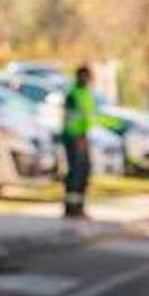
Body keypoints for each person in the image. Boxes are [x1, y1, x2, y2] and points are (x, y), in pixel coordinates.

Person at [62, 66, 96, 217]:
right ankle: (71, 207)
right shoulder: (73, 94)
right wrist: (77, 137)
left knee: (84, 172)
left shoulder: (85, 93)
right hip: (74, 138)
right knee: (75, 172)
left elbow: (87, 116)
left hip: (83, 136)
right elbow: (69, 119)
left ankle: (79, 206)